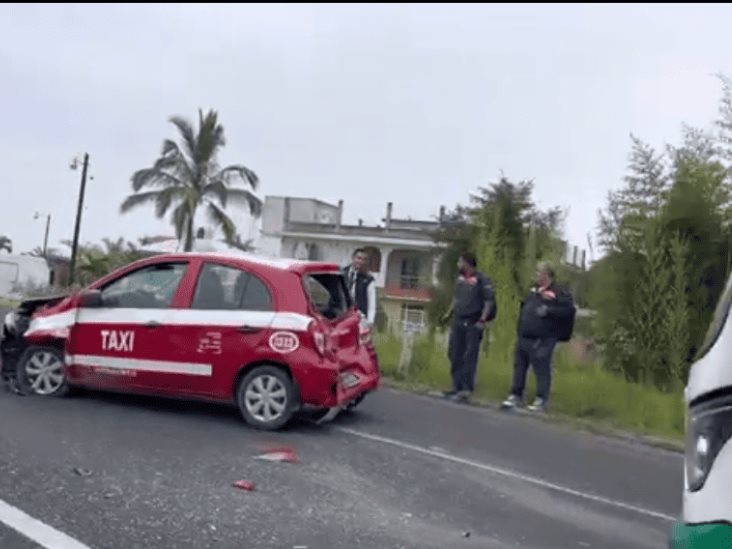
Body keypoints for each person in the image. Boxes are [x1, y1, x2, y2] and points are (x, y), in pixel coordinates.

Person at [501, 261, 575, 412]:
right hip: (525, 335)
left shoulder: (558, 292)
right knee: (519, 366)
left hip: (543, 338)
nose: (536, 275)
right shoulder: (534, 290)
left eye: (538, 272)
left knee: (541, 368)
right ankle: (516, 395)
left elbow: (568, 311)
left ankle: (541, 399)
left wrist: (549, 311)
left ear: (546, 274)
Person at [441, 252, 496, 402]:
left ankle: (466, 389)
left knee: (469, 356)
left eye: (460, 262)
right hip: (458, 320)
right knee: (454, 353)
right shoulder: (460, 279)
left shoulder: (481, 279)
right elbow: (456, 298)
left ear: (466, 263)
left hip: (473, 322)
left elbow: (488, 302)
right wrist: (448, 313)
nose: (458, 265)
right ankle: (456, 385)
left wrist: (482, 320)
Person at [342, 248, 376, 326]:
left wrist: (370, 322)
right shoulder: (342, 273)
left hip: (359, 317)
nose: (361, 262)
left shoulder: (368, 280)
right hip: (341, 314)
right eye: (359, 258)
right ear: (353, 258)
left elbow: (371, 304)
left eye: (364, 260)